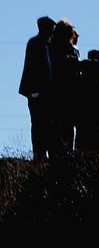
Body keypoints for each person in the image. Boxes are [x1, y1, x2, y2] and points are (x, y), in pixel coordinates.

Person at [18, 16, 54, 162]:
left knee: (48, 126)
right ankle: (39, 155)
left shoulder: (49, 44)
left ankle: (47, 155)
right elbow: (31, 68)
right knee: (39, 125)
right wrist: (33, 92)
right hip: (37, 94)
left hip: (48, 94)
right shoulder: (35, 43)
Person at [47, 19, 80, 156]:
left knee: (56, 127)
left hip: (54, 92)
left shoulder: (49, 47)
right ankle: (66, 155)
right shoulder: (68, 49)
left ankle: (56, 154)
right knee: (66, 127)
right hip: (67, 93)